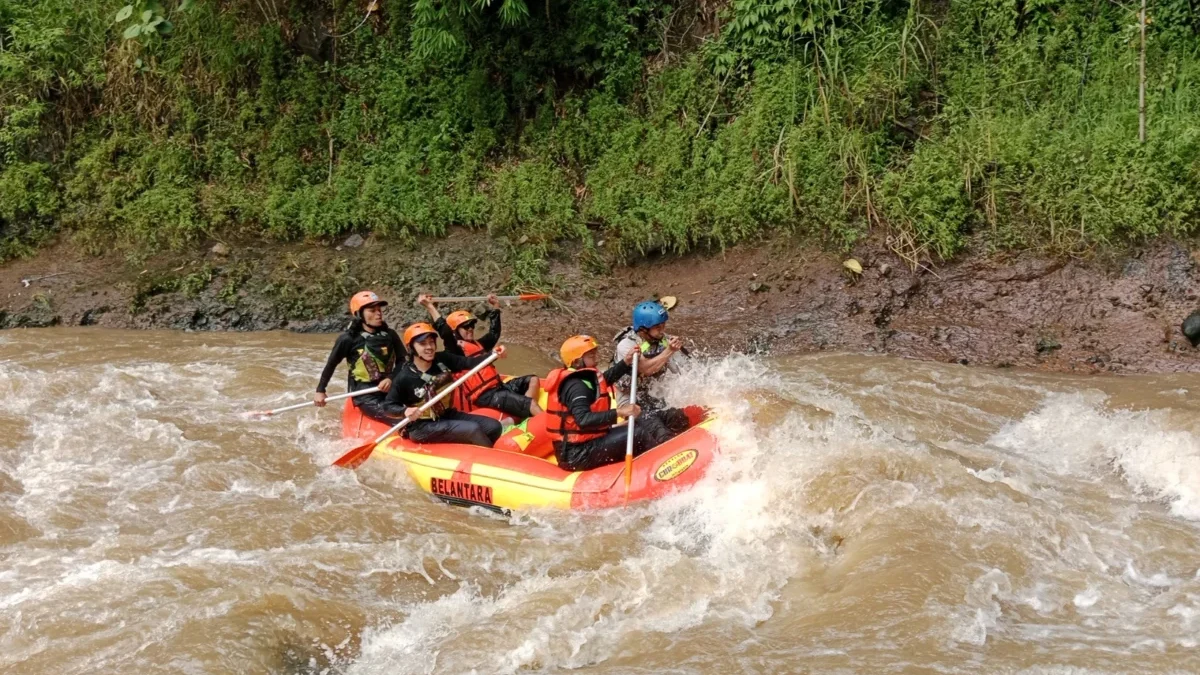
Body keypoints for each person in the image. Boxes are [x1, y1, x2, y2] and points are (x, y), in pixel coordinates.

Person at [544, 335, 690, 472]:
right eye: (591, 356)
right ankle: (668, 464)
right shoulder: (576, 386)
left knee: (649, 419)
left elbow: (605, 380)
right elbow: (583, 420)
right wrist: (620, 412)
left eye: (595, 354)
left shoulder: (584, 377)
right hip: (577, 454)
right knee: (640, 433)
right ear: (577, 362)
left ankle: (676, 443)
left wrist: (626, 362)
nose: (597, 358)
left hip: (591, 441)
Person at [417, 293, 543, 421]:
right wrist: (430, 307)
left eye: (472, 325)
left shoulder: (479, 344)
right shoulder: (454, 351)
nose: (470, 329)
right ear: (455, 331)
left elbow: (494, 333)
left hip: (499, 387)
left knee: (532, 380)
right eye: (465, 327)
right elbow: (445, 332)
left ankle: (524, 414)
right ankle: (536, 417)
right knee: (530, 404)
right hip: (486, 395)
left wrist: (495, 307)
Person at [383, 322, 505, 447]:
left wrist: (493, 354)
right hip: (421, 426)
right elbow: (387, 406)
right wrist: (405, 411)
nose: (429, 347)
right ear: (410, 348)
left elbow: (470, 362)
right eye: (423, 344)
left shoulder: (443, 359)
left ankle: (476, 450)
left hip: (446, 414)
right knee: (472, 429)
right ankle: (487, 458)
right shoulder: (404, 377)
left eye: (431, 342)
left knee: (493, 426)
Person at [314, 291, 405, 423]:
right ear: (359, 314)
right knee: (402, 418)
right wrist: (320, 390)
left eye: (379, 310)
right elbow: (331, 364)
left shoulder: (390, 335)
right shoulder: (348, 339)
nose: (378, 313)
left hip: (391, 388)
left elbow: (404, 360)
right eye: (372, 310)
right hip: (365, 395)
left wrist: (391, 378)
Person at [612, 300, 686, 408]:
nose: (662, 331)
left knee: (675, 415)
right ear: (643, 330)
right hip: (629, 396)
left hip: (652, 391)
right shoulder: (626, 345)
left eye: (663, 325)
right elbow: (646, 369)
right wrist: (669, 351)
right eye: (658, 328)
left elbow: (680, 371)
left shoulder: (663, 340)